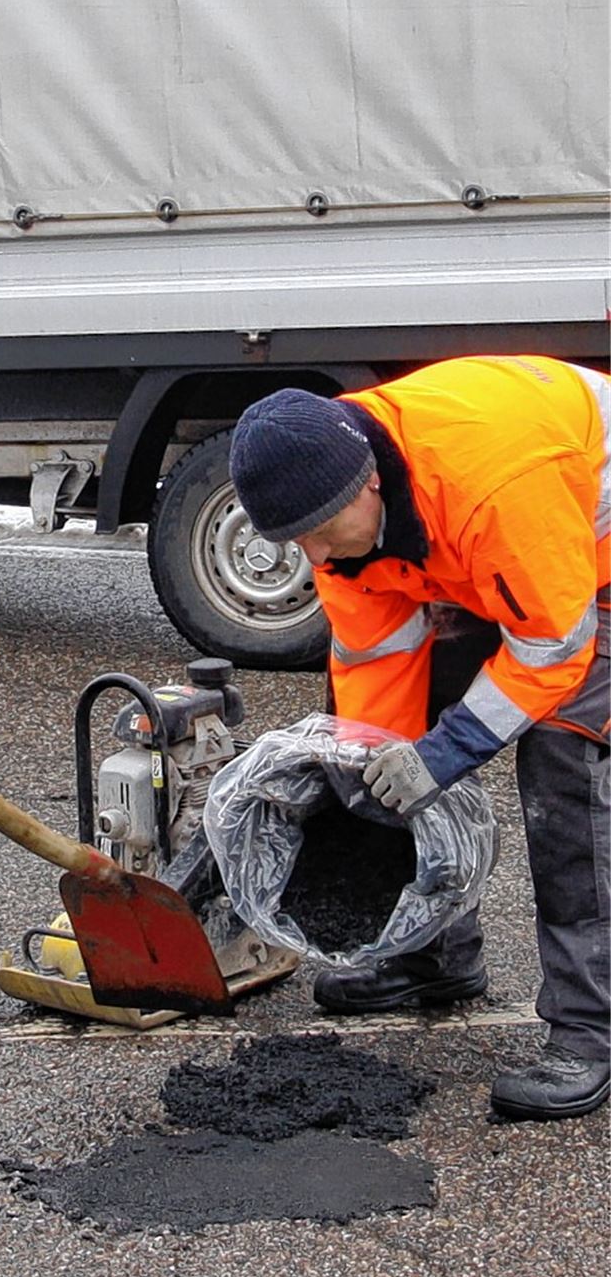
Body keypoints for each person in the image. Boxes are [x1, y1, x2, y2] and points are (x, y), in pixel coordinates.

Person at [229, 356, 609, 1122]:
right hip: (498, 559)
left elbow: (554, 645)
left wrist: (443, 754)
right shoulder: (331, 497)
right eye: (293, 543)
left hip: (586, 567)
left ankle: (590, 1033)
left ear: (368, 487)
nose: (313, 559)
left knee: (563, 761)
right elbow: (377, 664)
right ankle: (431, 955)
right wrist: (370, 777)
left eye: (318, 536)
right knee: (391, 746)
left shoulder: (492, 483)